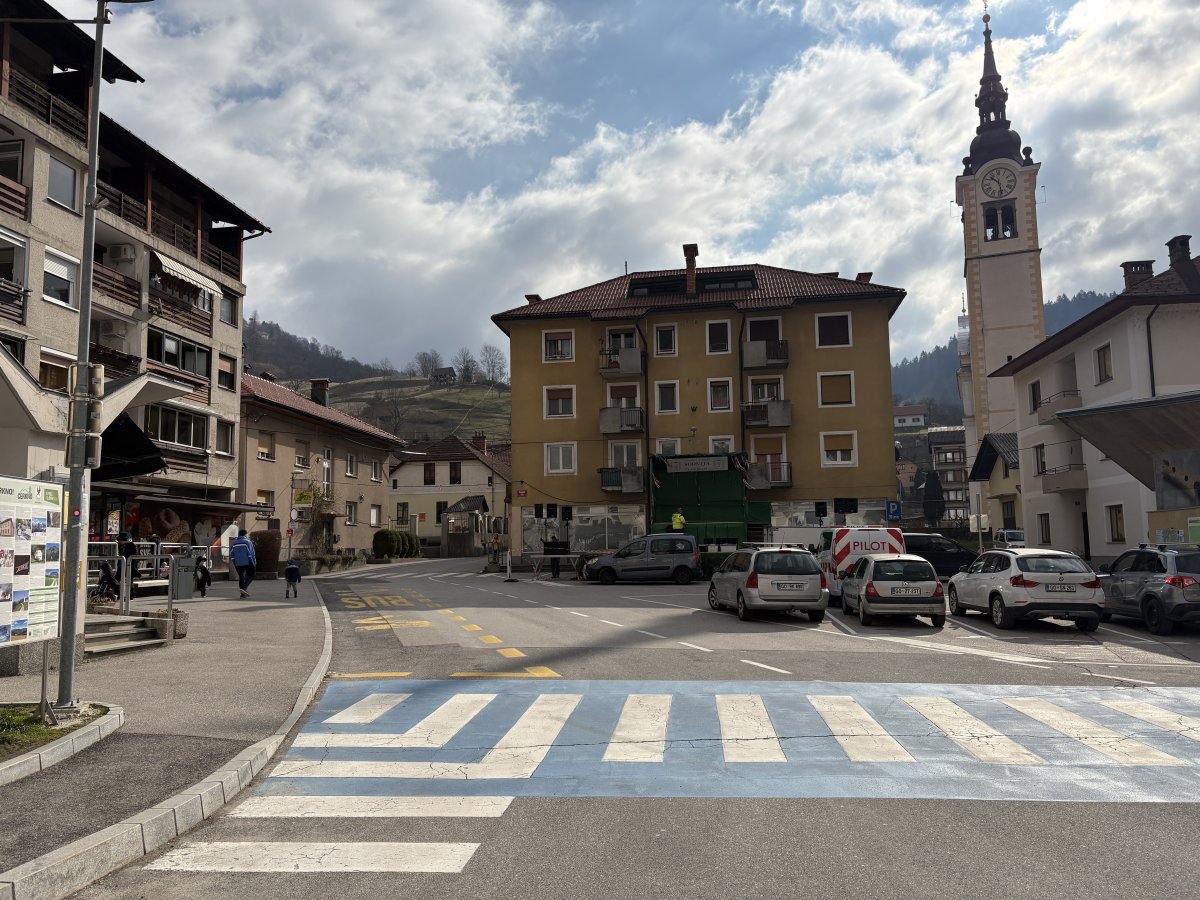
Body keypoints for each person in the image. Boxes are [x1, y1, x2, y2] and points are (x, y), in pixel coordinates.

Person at [229, 529, 257, 598]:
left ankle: (242, 595)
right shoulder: (248, 542)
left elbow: (232, 555)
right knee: (251, 575)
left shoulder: (234, 543)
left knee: (241, 577)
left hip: (238, 564)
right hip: (247, 562)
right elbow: (251, 553)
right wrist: (253, 562)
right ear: (245, 534)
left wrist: (235, 563)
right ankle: (244, 588)